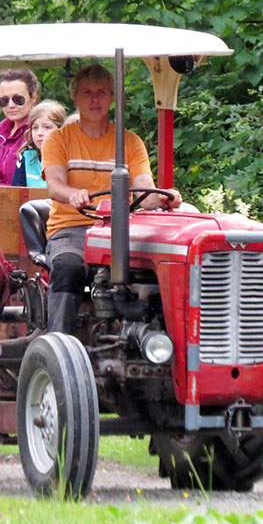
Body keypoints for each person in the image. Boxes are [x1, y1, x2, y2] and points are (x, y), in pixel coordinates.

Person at [41, 63, 182, 333]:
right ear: (75, 97)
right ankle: (59, 341)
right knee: (68, 266)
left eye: (102, 92)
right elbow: (55, 185)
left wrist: (165, 198)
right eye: (87, 92)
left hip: (120, 229)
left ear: (112, 97)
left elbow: (144, 191)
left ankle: (156, 339)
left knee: (156, 267)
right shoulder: (58, 140)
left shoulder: (129, 142)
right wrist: (74, 194)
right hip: (71, 228)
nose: (94, 99)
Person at [0, 68, 39, 186]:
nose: (11, 105)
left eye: (18, 99)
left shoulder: (39, 133)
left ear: (33, 97)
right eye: (4, 101)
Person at [12, 100, 66, 188]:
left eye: (47, 127)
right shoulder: (26, 155)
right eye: (35, 128)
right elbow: (15, 192)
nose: (39, 133)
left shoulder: (71, 158)